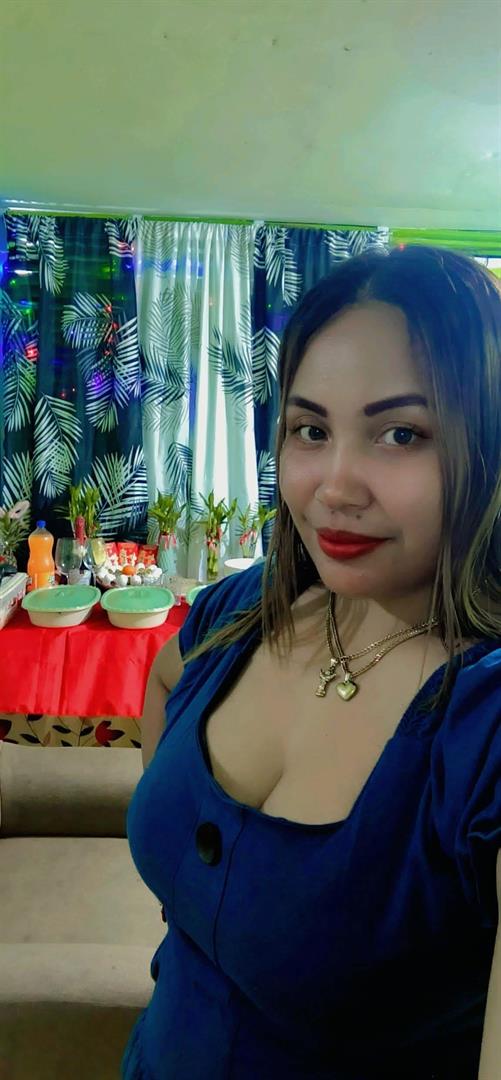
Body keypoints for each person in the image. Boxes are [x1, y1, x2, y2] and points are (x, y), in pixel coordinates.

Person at [122, 245, 501, 1080]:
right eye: (310, 430)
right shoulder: (244, 608)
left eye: (400, 434)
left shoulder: (482, 728)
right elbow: (164, 675)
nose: (334, 485)